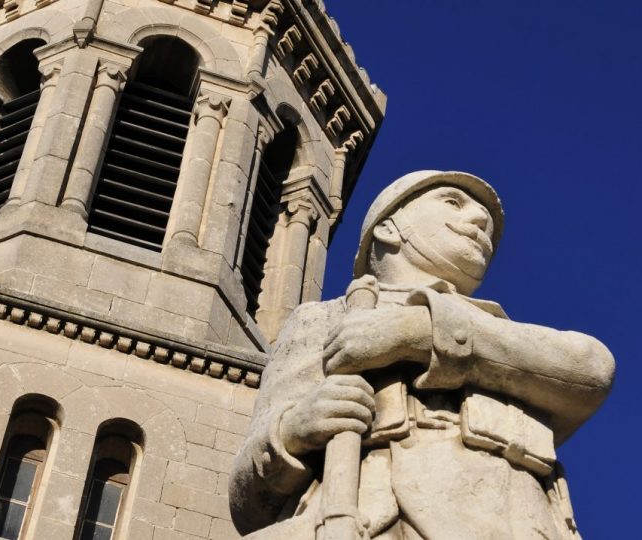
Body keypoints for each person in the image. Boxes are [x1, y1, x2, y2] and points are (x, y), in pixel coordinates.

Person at [229, 170, 615, 539]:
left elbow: (592, 369)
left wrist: (418, 334)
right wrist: (295, 431)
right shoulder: (324, 319)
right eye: (453, 202)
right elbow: (247, 502)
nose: (480, 222)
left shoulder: (502, 333)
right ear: (388, 227)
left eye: (487, 223)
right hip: (364, 521)